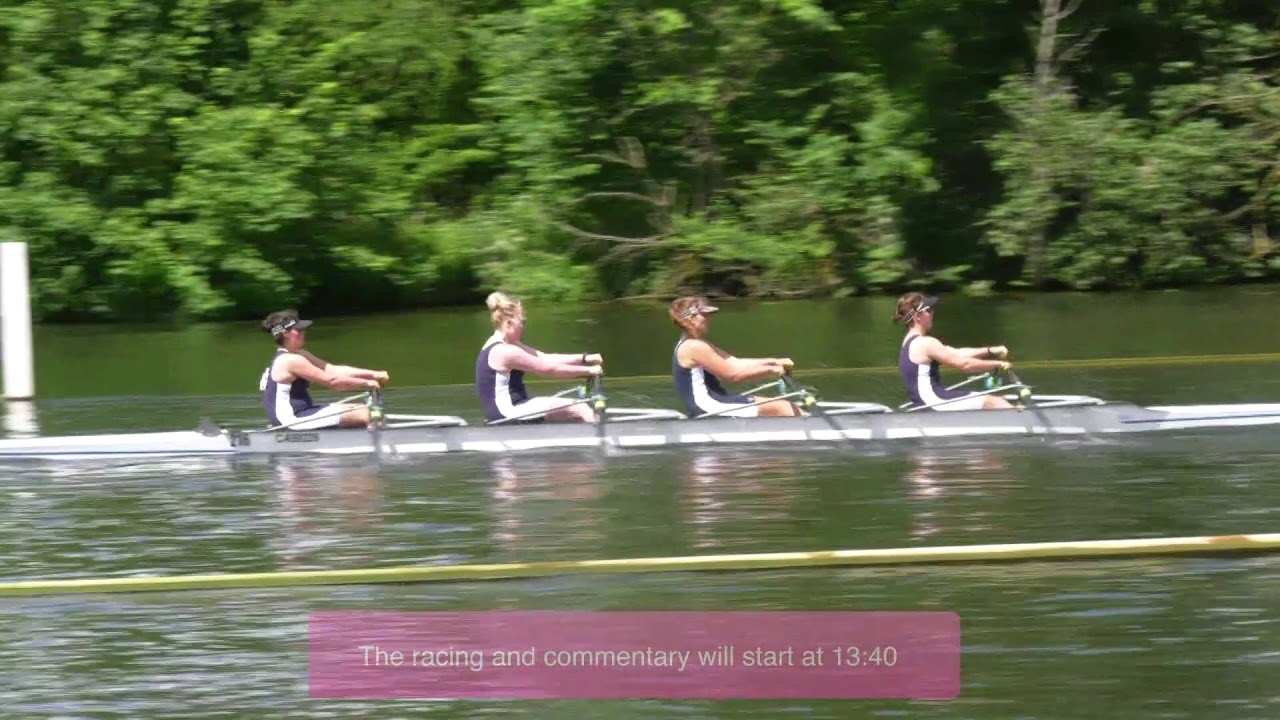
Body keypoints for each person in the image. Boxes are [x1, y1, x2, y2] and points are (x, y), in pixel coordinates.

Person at [476, 292, 603, 424]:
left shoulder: (502, 344)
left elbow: (544, 358)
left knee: (570, 413)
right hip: (508, 414)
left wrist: (585, 358)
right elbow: (548, 369)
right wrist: (589, 371)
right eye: (522, 322)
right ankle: (603, 438)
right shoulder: (505, 351)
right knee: (578, 407)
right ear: (509, 323)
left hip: (511, 410)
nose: (523, 327)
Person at [669, 295, 803, 418]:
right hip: (709, 406)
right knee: (783, 407)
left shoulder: (696, 344)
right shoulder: (694, 347)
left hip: (715, 401)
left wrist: (775, 362)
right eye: (704, 315)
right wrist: (772, 370)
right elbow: (734, 375)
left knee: (785, 406)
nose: (710, 318)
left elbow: (735, 362)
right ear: (689, 318)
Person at [258, 310, 389, 429]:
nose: (303, 333)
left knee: (363, 409)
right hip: (292, 420)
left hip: (302, 413)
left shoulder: (298, 354)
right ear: (285, 333)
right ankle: (381, 447)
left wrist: (374, 374)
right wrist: (367, 383)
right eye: (298, 330)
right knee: (368, 413)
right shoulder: (290, 360)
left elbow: (332, 370)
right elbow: (333, 382)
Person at [894, 292, 1014, 411]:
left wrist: (991, 350)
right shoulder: (925, 343)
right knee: (994, 402)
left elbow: (957, 353)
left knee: (998, 400)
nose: (932, 313)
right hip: (934, 401)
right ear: (918, 316)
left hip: (928, 401)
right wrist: (998, 364)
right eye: (929, 310)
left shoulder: (910, 342)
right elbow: (964, 364)